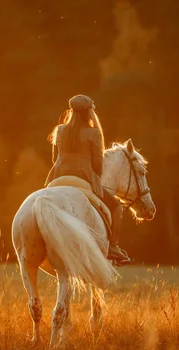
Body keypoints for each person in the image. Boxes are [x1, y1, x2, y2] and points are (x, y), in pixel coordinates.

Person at [44, 94, 131, 266]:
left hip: (57, 178)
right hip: (83, 179)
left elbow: (55, 159)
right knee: (116, 207)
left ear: (72, 112)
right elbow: (98, 164)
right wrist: (94, 176)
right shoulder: (94, 133)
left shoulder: (60, 130)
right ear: (88, 113)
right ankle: (113, 247)